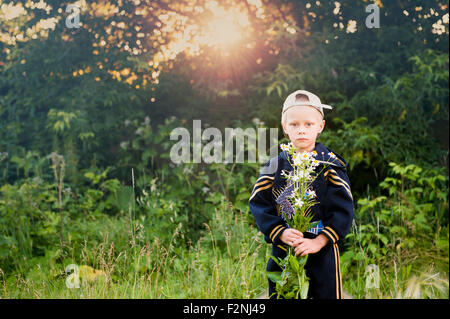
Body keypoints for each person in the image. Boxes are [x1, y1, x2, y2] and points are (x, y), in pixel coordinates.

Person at [249, 90, 354, 299]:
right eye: (294, 124)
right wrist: (279, 232)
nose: (301, 130)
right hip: (286, 248)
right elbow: (258, 203)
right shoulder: (275, 165)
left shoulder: (329, 166)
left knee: (325, 294)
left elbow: (343, 209)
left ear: (320, 127)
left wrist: (320, 241)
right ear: (285, 128)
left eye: (308, 124)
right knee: (283, 292)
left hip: (321, 250)